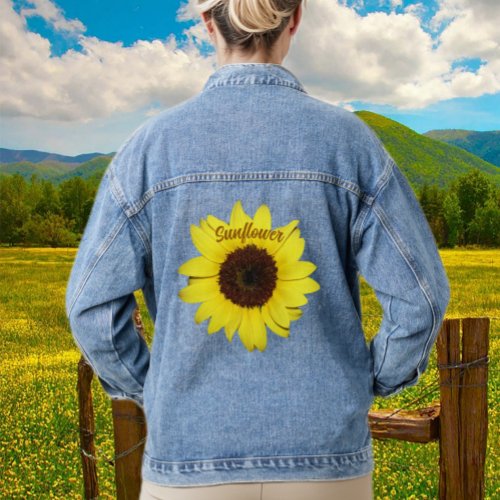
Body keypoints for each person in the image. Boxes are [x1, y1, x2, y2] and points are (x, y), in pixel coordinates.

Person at [65, 0, 451, 499]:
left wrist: (157, 389)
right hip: (326, 461)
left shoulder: (148, 149)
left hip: (188, 460)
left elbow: (91, 310)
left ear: (207, 23)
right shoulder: (349, 144)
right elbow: (421, 297)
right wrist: (365, 380)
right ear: (295, 18)